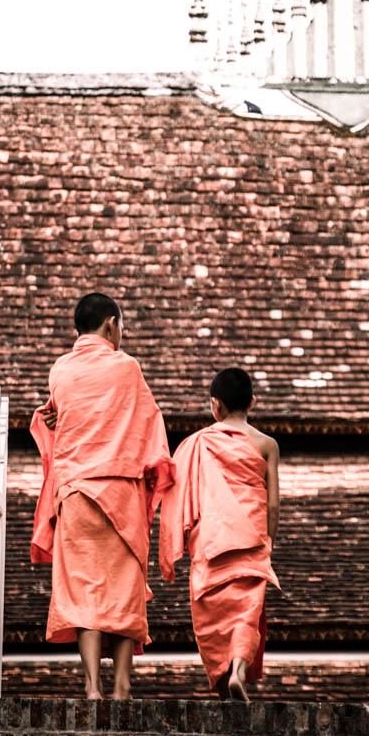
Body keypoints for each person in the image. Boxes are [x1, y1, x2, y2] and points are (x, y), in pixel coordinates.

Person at [30, 293, 173, 700]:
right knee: (123, 588)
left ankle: (92, 686)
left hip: (75, 492)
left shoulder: (60, 370)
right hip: (119, 492)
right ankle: (123, 687)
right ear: (112, 324)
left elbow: (55, 416)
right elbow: (149, 422)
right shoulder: (126, 368)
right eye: (121, 326)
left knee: (84, 589)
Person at [159, 367, 280, 702]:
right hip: (253, 540)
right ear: (252, 402)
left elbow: (178, 494)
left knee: (213, 617)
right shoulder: (266, 445)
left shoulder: (197, 444)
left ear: (215, 405)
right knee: (246, 613)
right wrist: (268, 542)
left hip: (211, 542)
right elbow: (272, 505)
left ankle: (224, 678)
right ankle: (239, 670)